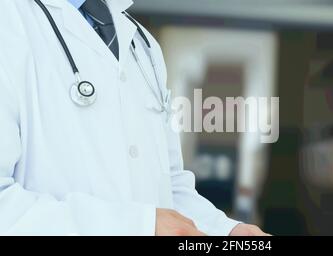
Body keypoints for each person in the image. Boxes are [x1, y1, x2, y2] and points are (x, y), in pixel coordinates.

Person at [0, 0, 267, 236]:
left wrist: (226, 230)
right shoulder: (9, 24)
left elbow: (169, 190)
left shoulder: (143, 45)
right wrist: (139, 226)